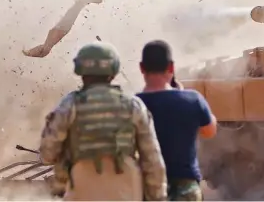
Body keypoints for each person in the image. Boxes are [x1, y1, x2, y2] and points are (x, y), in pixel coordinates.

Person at [38, 41, 167, 201]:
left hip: (83, 191)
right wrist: (158, 197)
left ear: (80, 70)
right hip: (126, 192)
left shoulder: (70, 105)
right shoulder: (133, 105)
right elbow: (152, 160)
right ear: (113, 71)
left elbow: (47, 154)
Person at [136, 40, 218, 201]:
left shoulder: (133, 104)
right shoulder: (193, 99)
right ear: (171, 67)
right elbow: (209, 131)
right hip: (186, 189)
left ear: (141, 68)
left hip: (147, 188)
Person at [23, 0, 107, 58]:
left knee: (72, 13)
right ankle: (29, 52)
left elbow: (97, 0)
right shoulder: (46, 47)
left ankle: (29, 52)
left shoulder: (46, 47)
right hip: (62, 28)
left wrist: (28, 53)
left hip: (62, 28)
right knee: (72, 12)